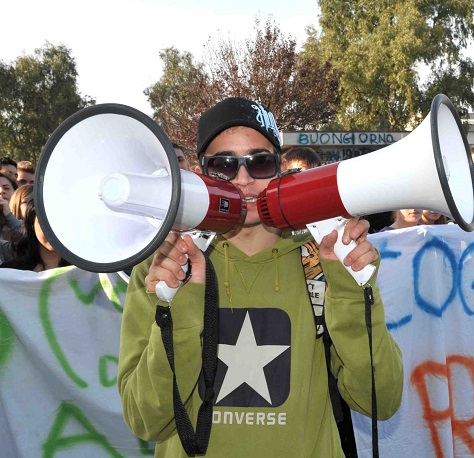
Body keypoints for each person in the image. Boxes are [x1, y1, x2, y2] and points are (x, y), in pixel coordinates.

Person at [117, 97, 403, 457]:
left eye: (260, 162)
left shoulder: (321, 259)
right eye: (223, 165)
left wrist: (349, 290)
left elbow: (380, 400)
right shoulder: (163, 264)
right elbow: (147, 420)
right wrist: (180, 305)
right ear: (203, 172)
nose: (243, 179)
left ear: (280, 168)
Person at [0, 202, 70, 271]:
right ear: (32, 225)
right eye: (46, 222)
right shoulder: (10, 272)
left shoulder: (80, 269)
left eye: (61, 222)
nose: (52, 230)